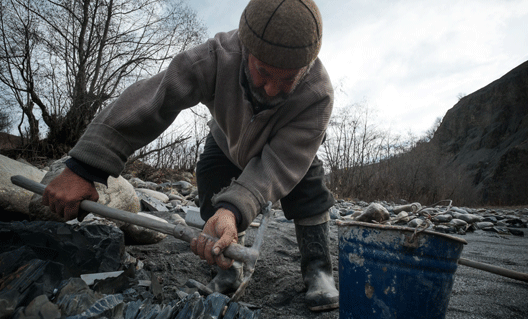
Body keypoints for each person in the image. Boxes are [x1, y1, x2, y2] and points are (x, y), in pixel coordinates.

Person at [42, 0, 339, 312]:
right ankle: (228, 267)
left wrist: (235, 210)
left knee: (309, 192)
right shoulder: (216, 57)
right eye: (263, 72)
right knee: (211, 182)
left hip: (286, 154)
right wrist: (83, 167)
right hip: (225, 141)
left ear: (305, 68)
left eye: (287, 80)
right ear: (244, 47)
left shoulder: (316, 95)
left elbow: (278, 164)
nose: (271, 89)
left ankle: (318, 270)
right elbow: (154, 100)